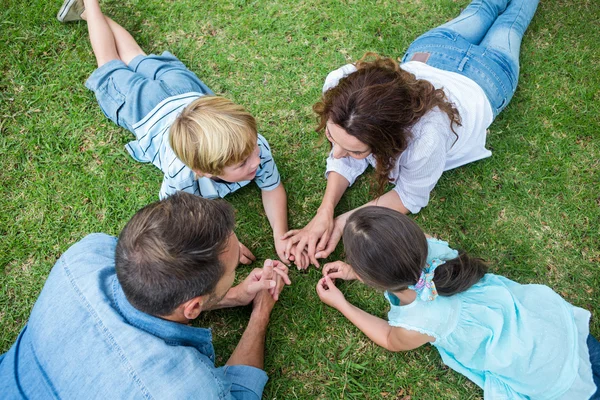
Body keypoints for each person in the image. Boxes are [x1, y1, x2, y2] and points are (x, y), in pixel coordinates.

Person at [283, 0, 540, 268]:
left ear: (391, 138)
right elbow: (346, 151)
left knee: (511, 20)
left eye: (356, 151)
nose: (336, 154)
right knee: (482, 8)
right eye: (331, 137)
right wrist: (324, 212)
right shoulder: (341, 84)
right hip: (434, 50)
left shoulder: (425, 139)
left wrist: (341, 222)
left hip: (486, 76)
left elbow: (409, 195)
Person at [57, 0, 294, 265]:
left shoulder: (252, 144)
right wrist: (227, 241)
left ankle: (91, 11)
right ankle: (90, 6)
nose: (258, 160)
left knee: (136, 55)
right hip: (143, 108)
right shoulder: (181, 178)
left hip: (184, 93)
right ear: (202, 171)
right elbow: (188, 213)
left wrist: (280, 234)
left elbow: (272, 187)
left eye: (253, 152)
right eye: (243, 163)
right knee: (111, 62)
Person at [0, 192, 291, 399]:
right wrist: (260, 311)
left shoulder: (86, 253)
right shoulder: (183, 389)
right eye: (232, 272)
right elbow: (238, 394)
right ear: (193, 307)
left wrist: (231, 295)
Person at [316, 206, 599, 399]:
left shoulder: (419, 323)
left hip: (547, 377)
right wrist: (357, 271)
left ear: (374, 281)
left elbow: (390, 338)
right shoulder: (433, 249)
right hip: (555, 330)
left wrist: (342, 303)